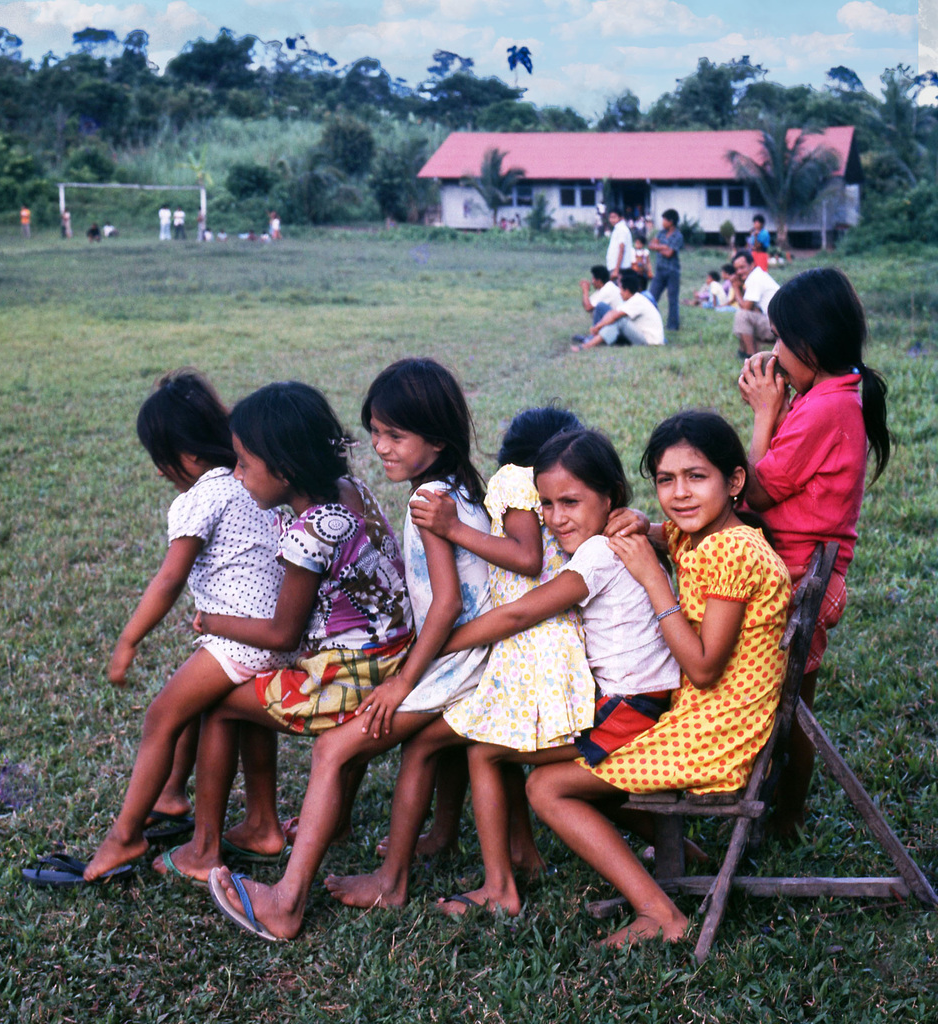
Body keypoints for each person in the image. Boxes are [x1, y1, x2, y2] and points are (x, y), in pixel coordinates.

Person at [326, 426, 679, 918]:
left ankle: (501, 890)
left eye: (571, 503)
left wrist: (434, 647)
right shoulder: (614, 541)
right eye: (548, 506)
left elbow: (517, 613)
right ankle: (676, 851)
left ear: (611, 498)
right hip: (640, 701)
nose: (556, 519)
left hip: (626, 712)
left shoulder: (599, 555)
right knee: (508, 733)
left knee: (487, 752)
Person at [206, 357, 493, 940]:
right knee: (344, 746)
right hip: (415, 654)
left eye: (393, 434)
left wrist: (401, 682)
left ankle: (282, 899)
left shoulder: (427, 503)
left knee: (318, 743)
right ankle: (318, 836)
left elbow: (444, 605)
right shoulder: (403, 489)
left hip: (424, 666)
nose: (379, 447)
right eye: (375, 432)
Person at [526, 410, 791, 946]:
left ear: (735, 481)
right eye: (666, 480)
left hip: (717, 731)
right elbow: (662, 533)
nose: (680, 493)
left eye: (696, 477)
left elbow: (703, 666)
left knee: (546, 784)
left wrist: (653, 580)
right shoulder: (705, 536)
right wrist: (635, 522)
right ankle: (680, 856)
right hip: (699, 714)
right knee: (570, 751)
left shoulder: (734, 551)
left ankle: (660, 914)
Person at [149, 381, 413, 887]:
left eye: (245, 464)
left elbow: (281, 633)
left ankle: (204, 851)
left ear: (285, 469)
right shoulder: (351, 492)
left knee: (222, 702)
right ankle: (291, 824)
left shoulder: (308, 532)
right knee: (252, 691)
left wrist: (214, 622)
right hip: (391, 653)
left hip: (347, 678)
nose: (237, 473)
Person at [77, 370, 292, 883]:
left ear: (188, 457)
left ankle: (124, 836)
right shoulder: (254, 482)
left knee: (161, 716)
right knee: (228, 713)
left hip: (240, 639)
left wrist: (128, 640)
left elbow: (170, 576)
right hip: (280, 638)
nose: (159, 473)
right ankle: (246, 819)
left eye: (161, 461)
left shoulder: (200, 496)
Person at [737, 267, 892, 838]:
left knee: (792, 711)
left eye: (779, 340)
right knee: (794, 704)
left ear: (810, 343)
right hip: (801, 571)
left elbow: (753, 490)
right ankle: (784, 812)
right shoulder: (828, 396)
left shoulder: (826, 408)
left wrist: (761, 413)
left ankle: (787, 816)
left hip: (799, 581)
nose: (773, 352)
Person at [571, 269, 664, 350]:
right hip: (641, 336)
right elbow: (612, 313)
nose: (620, 293)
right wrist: (599, 325)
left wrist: (598, 327)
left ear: (627, 291)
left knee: (620, 321)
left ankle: (587, 346)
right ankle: (595, 339)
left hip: (651, 342)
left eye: (621, 290)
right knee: (607, 312)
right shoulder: (632, 299)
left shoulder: (637, 300)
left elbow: (615, 316)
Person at [728, 249, 780, 357]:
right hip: (776, 324)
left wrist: (736, 288)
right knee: (749, 315)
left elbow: (745, 307)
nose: (739, 272)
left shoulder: (755, 278)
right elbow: (750, 306)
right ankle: (744, 351)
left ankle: (751, 355)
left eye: (742, 267)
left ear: (752, 265)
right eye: (736, 269)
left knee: (742, 315)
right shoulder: (757, 275)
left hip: (781, 328)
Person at [647, 208, 684, 331]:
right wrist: (663, 246)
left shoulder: (678, 236)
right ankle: (651, 322)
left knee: (672, 299)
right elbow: (651, 245)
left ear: (671, 221)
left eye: (664, 220)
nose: (662, 222)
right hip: (660, 270)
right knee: (652, 296)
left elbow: (670, 254)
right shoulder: (661, 233)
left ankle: (673, 326)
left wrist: (658, 247)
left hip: (672, 271)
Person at [573, 265, 622, 342]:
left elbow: (588, 307)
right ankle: (593, 336)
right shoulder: (602, 289)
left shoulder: (607, 289)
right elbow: (587, 305)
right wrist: (585, 292)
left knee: (599, 307)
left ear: (599, 281)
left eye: (593, 279)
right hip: (613, 322)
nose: (592, 282)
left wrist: (585, 291)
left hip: (617, 324)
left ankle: (592, 337)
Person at [605, 209, 634, 282]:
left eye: (614, 217)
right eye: (610, 217)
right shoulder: (617, 229)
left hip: (620, 268)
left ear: (621, 218)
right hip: (616, 267)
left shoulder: (622, 229)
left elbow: (621, 249)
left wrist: (616, 270)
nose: (612, 220)